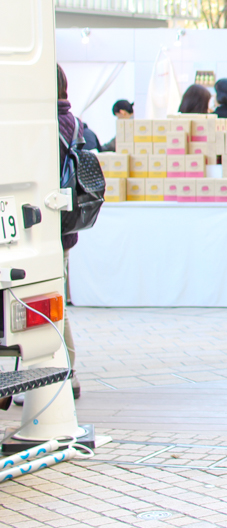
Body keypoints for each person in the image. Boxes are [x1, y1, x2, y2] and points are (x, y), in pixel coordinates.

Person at [55, 66, 84, 400]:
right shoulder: (74, 122)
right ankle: (67, 372)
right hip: (63, 224)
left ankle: (63, 373)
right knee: (54, 303)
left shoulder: (47, 125)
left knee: (50, 307)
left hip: (43, 225)